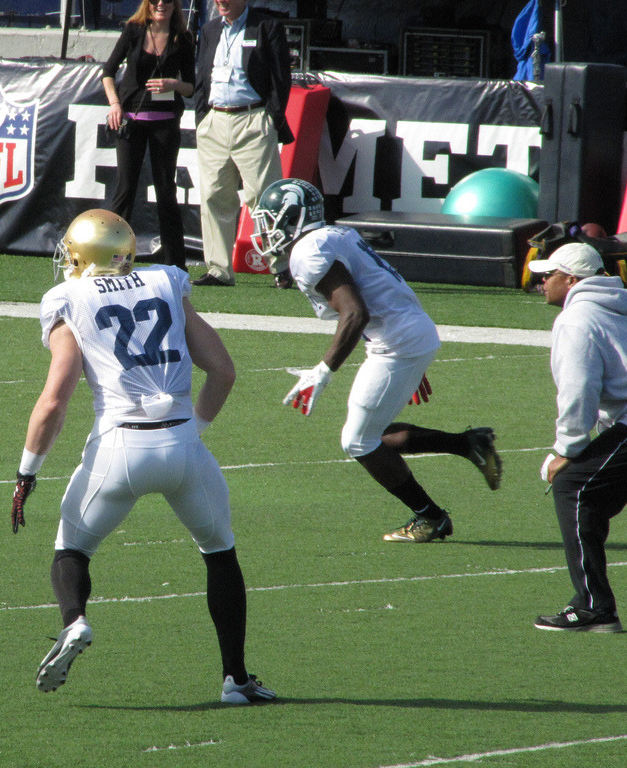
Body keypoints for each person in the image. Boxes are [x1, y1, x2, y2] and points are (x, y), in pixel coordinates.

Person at [10, 208, 275, 704]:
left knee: (72, 548)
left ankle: (75, 621)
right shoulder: (165, 281)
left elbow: (54, 400)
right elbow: (223, 371)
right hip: (182, 444)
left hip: (119, 446)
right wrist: (191, 431)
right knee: (220, 554)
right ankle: (236, 679)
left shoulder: (69, 297)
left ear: (81, 255)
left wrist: (27, 473)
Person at [250, 179, 504, 542]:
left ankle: (431, 517)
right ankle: (467, 444)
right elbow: (386, 292)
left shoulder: (309, 251)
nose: (267, 229)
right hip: (406, 335)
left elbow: (355, 313)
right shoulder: (336, 235)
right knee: (374, 431)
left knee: (357, 441)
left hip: (397, 343)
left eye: (273, 219)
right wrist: (412, 358)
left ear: (296, 217)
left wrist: (323, 371)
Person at [527, 242, 627, 632]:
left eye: (549, 274)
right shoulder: (626, 302)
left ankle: (594, 607)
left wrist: (567, 450)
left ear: (571, 279)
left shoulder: (576, 319)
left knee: (575, 488)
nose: (541, 281)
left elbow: (579, 390)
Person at [190, 0, 294, 288]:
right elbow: (202, 74)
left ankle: (281, 267)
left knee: (264, 197)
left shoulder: (266, 26)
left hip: (253, 117)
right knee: (213, 196)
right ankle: (219, 271)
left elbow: (280, 77)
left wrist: (270, 117)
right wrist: (203, 118)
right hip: (215, 120)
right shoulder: (210, 29)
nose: (220, 2)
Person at [102, 0, 195, 272]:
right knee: (125, 189)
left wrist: (174, 85)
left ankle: (175, 265)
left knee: (166, 191)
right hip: (131, 121)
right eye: (155, 0)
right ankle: (112, 260)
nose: (161, 5)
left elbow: (191, 87)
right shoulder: (133, 30)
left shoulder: (183, 37)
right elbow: (108, 72)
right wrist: (115, 104)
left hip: (165, 123)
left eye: (167, 0)